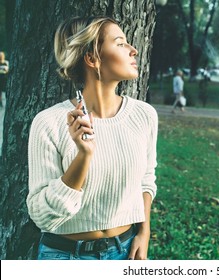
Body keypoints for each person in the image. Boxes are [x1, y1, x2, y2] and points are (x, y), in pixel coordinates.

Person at [26, 16, 158, 260]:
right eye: (120, 43)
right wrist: (83, 156)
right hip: (64, 256)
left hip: (125, 251)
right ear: (92, 58)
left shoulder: (144, 115)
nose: (134, 50)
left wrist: (144, 231)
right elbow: (41, 214)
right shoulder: (48, 123)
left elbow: (146, 180)